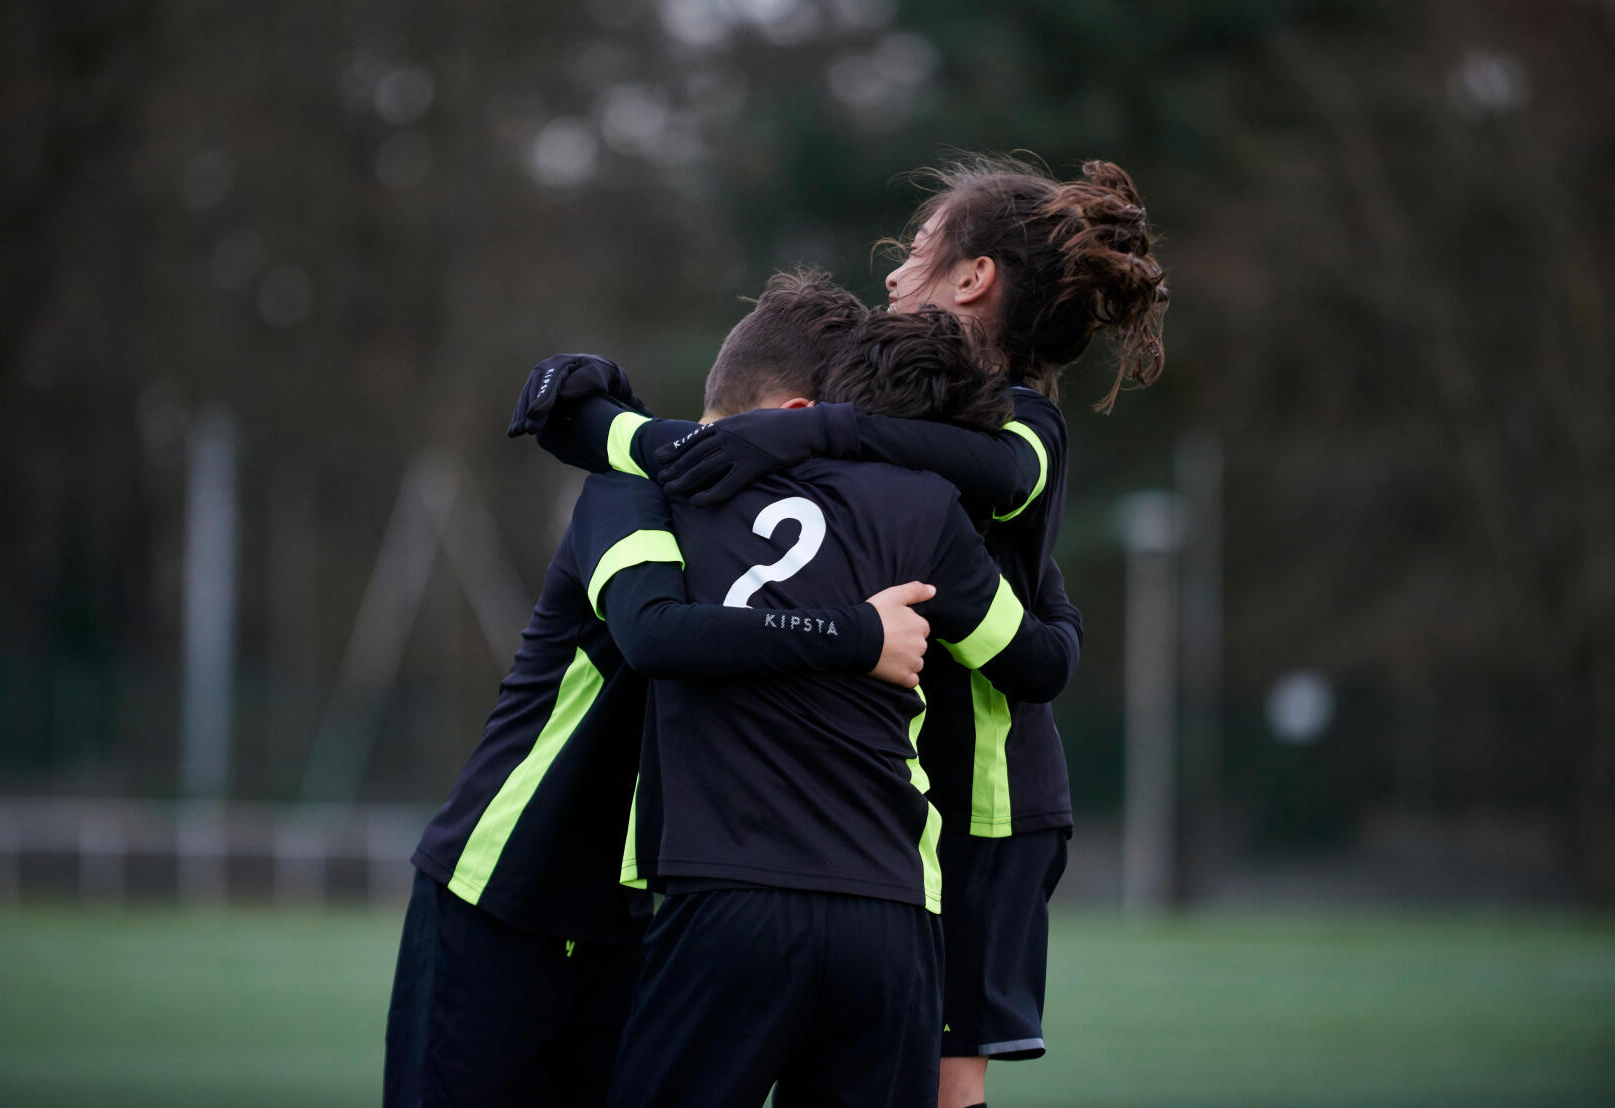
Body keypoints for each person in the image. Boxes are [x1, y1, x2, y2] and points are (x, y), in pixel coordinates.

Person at [553, 155, 1167, 1108]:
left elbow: (1003, 509)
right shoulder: (895, 425)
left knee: (943, 1081)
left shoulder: (1025, 426)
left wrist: (811, 430)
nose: (890, 274)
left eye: (918, 250)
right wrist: (594, 418)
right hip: (885, 797)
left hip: (984, 803)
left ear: (974, 279)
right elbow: (720, 450)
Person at [382, 356, 938, 1107]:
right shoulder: (630, 491)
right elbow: (655, 636)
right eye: (836, 432)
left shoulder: (808, 536)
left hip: (638, 924)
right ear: (797, 413)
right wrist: (857, 634)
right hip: (501, 893)